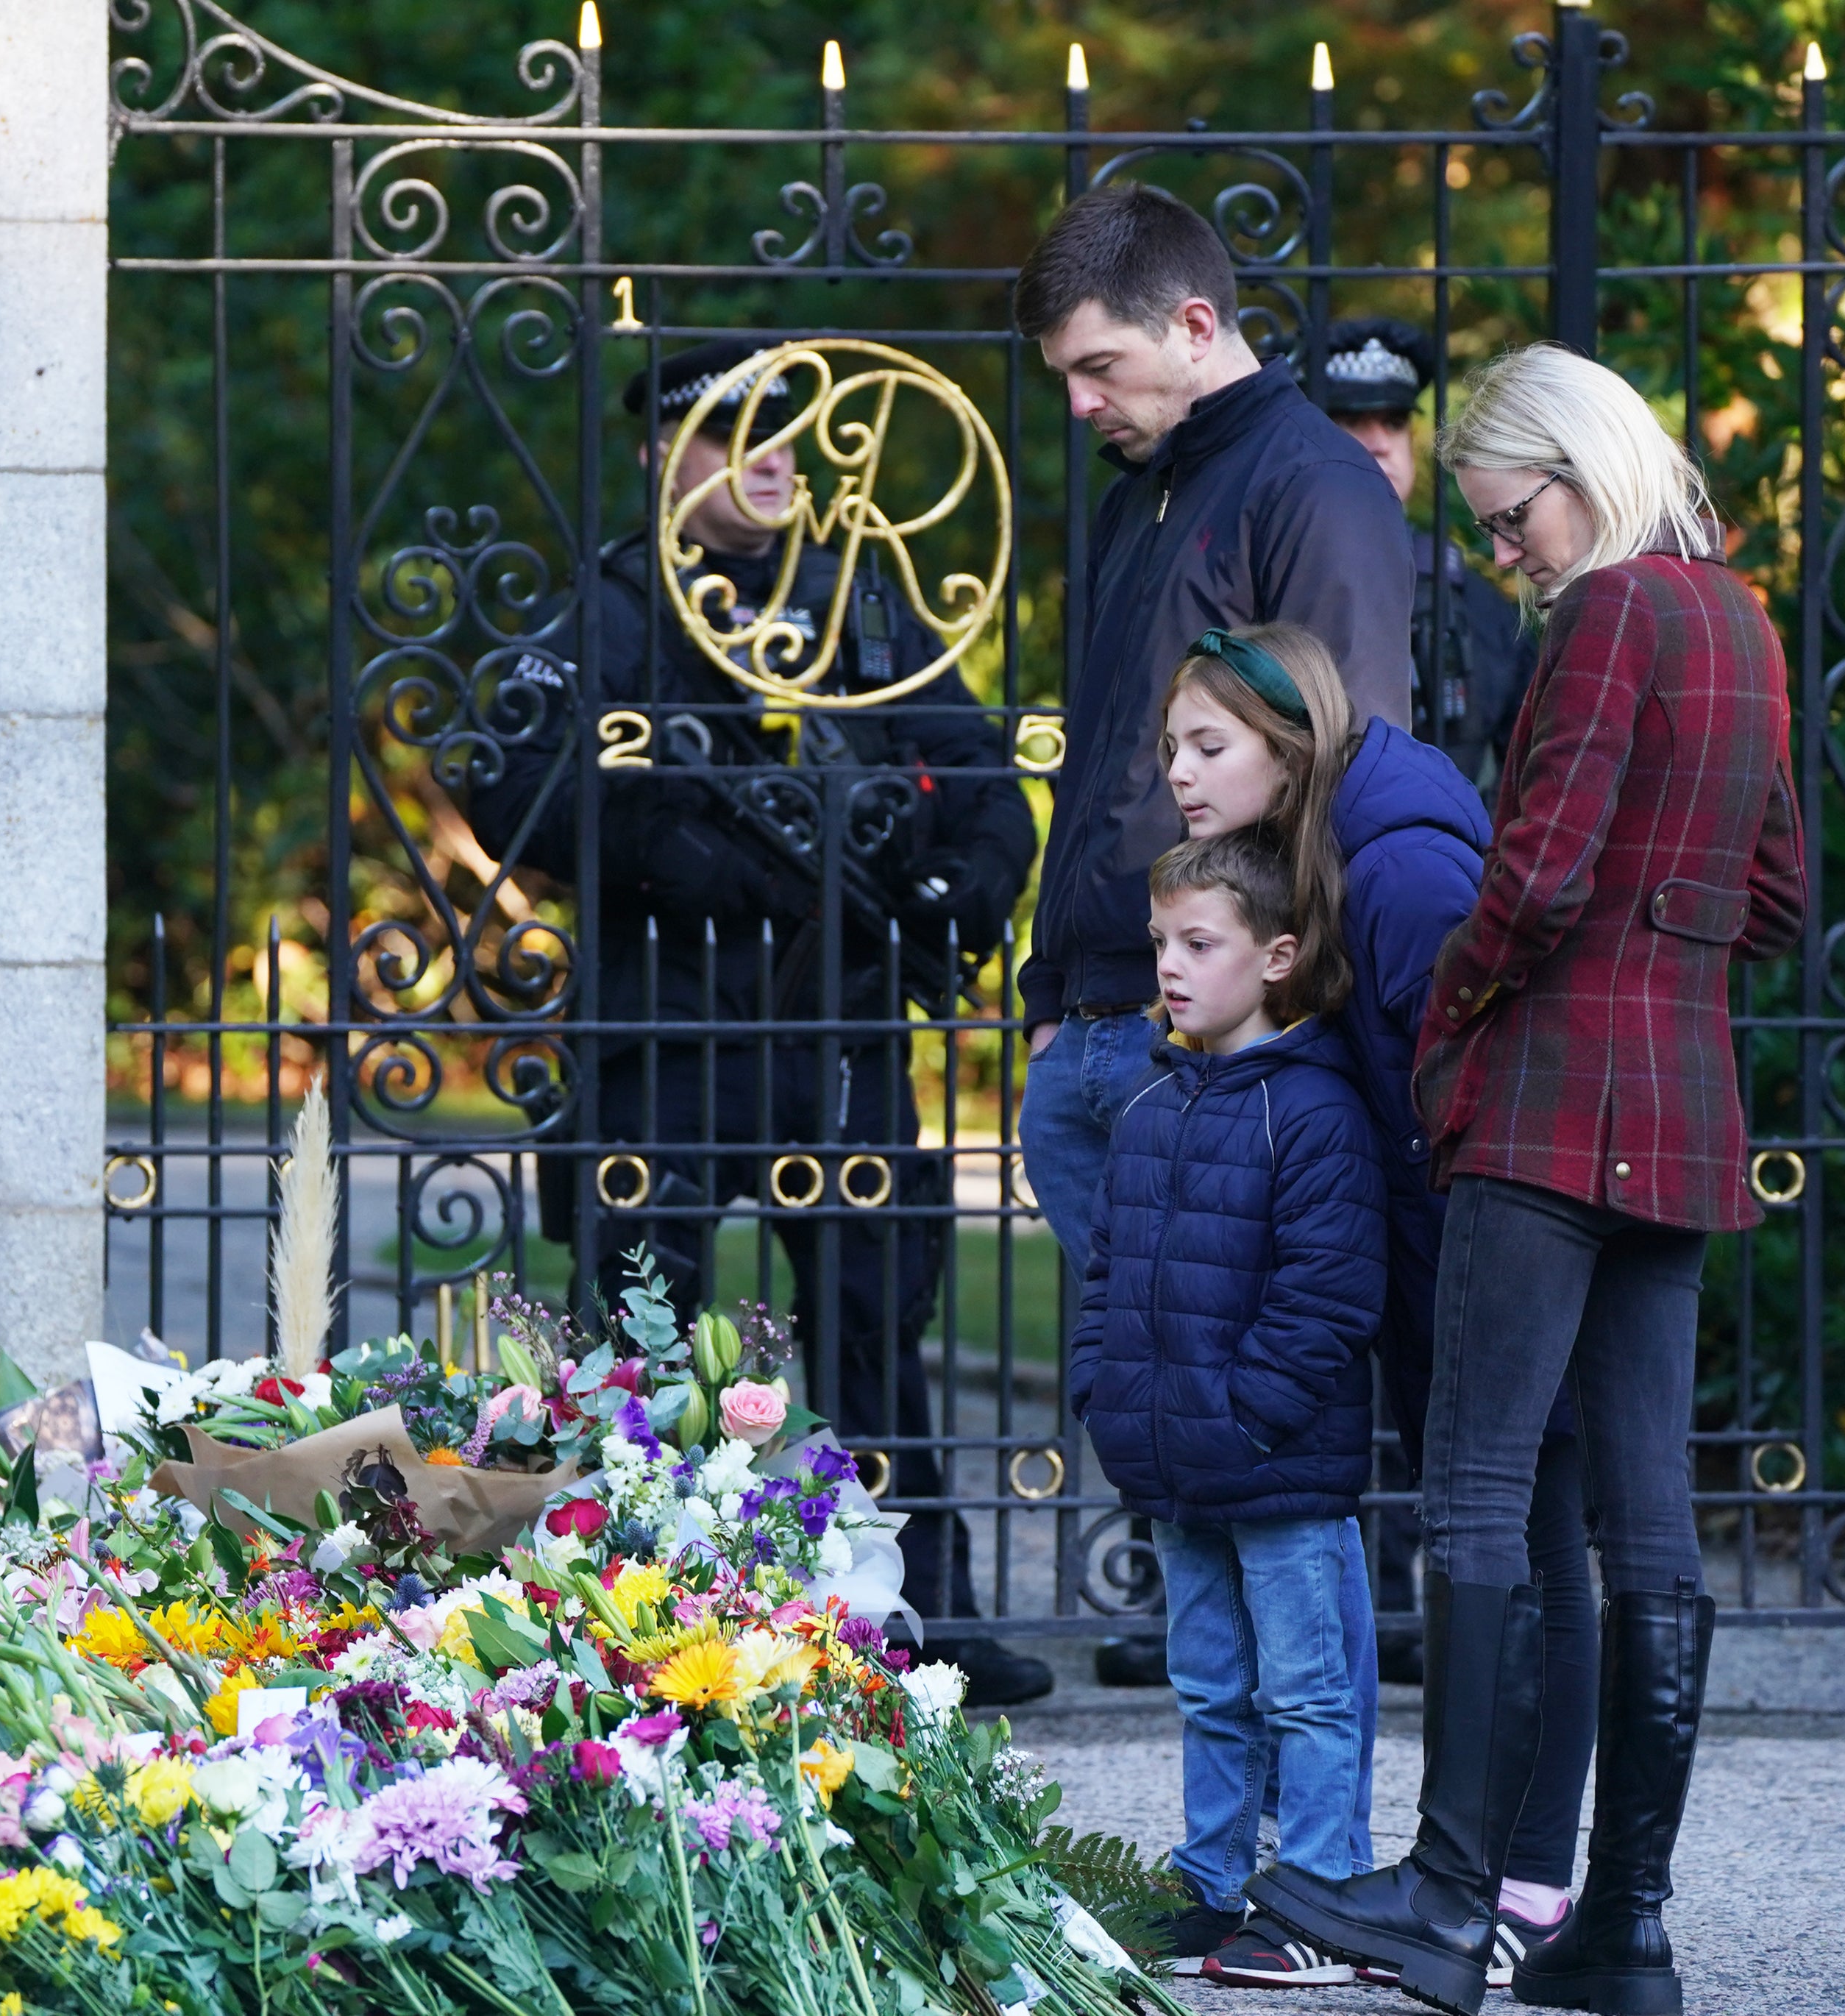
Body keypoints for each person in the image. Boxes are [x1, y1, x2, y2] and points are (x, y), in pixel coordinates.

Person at [1247, 344, 1805, 2016]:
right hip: (1682, 1105)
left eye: (1508, 521)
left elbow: (1538, 869)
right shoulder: (1737, 618)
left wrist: (1454, 1022)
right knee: (1650, 1530)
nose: (1509, 557)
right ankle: (1620, 1930)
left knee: (1476, 1489)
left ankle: (1440, 1896)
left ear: (1576, 467)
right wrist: (1661, 943)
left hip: (1550, 1102)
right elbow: (1772, 897)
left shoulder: (1605, 614)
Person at [465, 335, 1051, 1708]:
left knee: (869, 1316)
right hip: (670, 1027)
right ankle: (648, 1608)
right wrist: (691, 859)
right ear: (670, 455)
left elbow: (978, 773)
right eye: (739, 435)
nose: (779, 455)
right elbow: (507, 781)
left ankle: (924, 1608)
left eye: (792, 431)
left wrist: (956, 896)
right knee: (646, 1326)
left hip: (841, 1027)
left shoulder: (863, 601)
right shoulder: (614, 605)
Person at [1153, 620, 1597, 1992]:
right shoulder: (1328, 840)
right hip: (1438, 1252)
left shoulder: (1394, 867)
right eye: (1172, 744)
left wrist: (1470, 1280)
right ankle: (1486, 1875)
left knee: (1534, 1546)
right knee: (1511, 1543)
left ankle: (1528, 1882)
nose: (1178, 771)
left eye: (1207, 745)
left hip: (1490, 1248)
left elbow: (1477, 1078)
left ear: (1289, 748)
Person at [1010, 184, 1417, 1285]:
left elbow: (1350, 774)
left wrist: (1258, 1020)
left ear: (1194, 326)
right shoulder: (1138, 494)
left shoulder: (1315, 487)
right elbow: (1101, 764)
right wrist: (1052, 1009)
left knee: (1226, 1412)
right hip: (1095, 1025)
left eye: (1100, 368)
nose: (1083, 403)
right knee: (1152, 1405)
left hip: (1216, 1036)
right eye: (1068, 378)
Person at [1067, 828, 1383, 1987]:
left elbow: (1330, 1295)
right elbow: (1106, 1277)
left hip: (1277, 1468)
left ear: (1280, 955)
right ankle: (1211, 1883)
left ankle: (1322, 1896)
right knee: (1209, 1686)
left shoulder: (1309, 1110)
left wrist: (1245, 1416)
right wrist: (1105, 1400)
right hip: (1175, 1467)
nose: (1171, 966)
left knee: (1308, 1692)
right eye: (1162, 943)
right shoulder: (1153, 1105)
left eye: (1200, 943)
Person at [1317, 319, 1541, 795]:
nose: (1379, 442)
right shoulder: (1276, 573)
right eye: (1352, 420)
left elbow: (1526, 773)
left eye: (1394, 422)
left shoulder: (1476, 603)